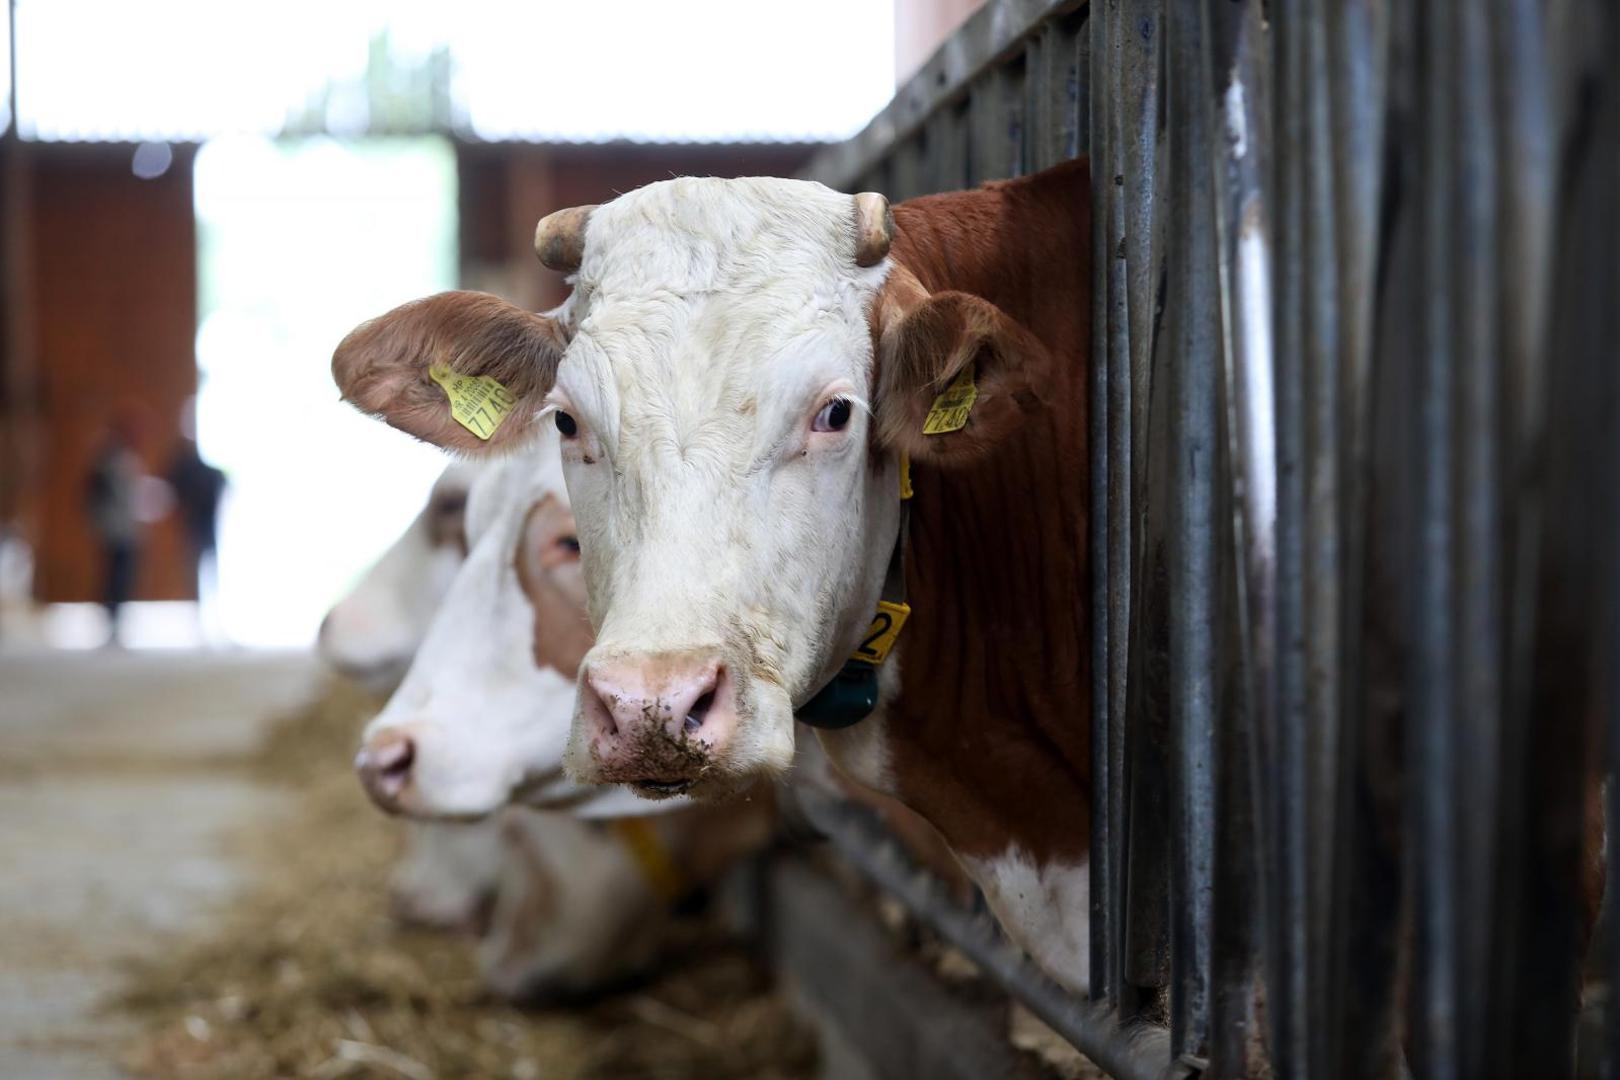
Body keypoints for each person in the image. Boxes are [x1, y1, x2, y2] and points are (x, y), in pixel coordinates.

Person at [166, 402, 227, 644]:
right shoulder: (184, 464)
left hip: (206, 526)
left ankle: (212, 621)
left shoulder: (208, 468)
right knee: (195, 573)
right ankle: (198, 619)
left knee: (210, 574)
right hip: (194, 526)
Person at [85, 411, 147, 646]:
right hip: (114, 529)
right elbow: (95, 494)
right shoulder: (108, 458)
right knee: (114, 577)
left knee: (123, 577)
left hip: (128, 528)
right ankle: (110, 621)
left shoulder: (128, 458)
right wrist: (98, 521)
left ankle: (118, 620)